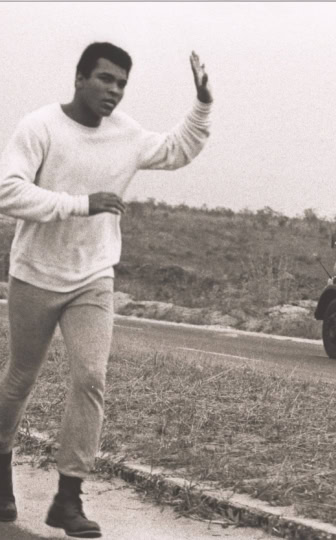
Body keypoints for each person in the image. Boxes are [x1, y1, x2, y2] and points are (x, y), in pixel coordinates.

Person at [0, 42, 212, 537]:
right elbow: (7, 191)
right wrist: (80, 204)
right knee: (19, 379)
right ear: (79, 79)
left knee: (90, 377)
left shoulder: (127, 135)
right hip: (34, 272)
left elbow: (176, 149)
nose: (113, 91)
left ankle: (68, 498)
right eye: (105, 79)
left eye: (121, 83)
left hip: (94, 275)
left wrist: (202, 105)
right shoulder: (40, 127)